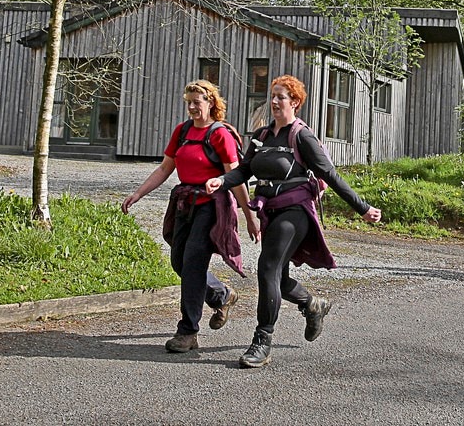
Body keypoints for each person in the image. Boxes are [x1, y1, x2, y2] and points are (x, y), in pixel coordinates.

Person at [206, 74, 382, 369]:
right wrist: (222, 180)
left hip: (295, 212)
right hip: (269, 212)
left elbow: (330, 175)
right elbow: (244, 171)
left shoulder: (302, 136)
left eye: (281, 97)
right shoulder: (261, 136)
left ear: (295, 103)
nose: (274, 102)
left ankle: (262, 340)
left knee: (267, 268)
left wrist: (362, 208)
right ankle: (312, 305)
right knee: (279, 278)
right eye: (272, 96)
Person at [122, 80, 258, 352]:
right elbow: (164, 169)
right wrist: (138, 194)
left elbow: (236, 176)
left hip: (211, 206)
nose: (193, 107)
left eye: (197, 102)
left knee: (194, 262)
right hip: (185, 203)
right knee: (179, 262)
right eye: (189, 102)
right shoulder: (182, 131)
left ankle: (188, 332)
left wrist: (249, 214)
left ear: (211, 103)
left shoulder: (220, 134)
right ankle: (221, 295)